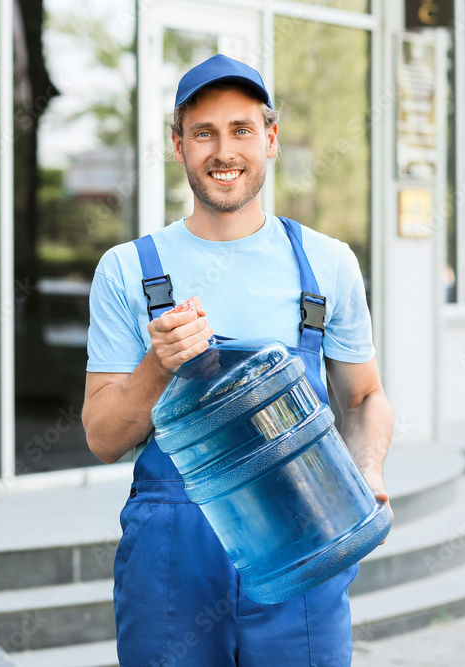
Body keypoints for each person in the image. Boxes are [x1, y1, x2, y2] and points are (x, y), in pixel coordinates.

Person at [82, 54, 394, 666]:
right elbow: (101, 437)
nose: (224, 151)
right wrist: (157, 365)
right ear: (179, 146)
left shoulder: (327, 264)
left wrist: (368, 470)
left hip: (302, 533)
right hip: (174, 547)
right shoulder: (126, 269)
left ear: (270, 139)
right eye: (204, 133)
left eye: (241, 130)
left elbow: (363, 398)